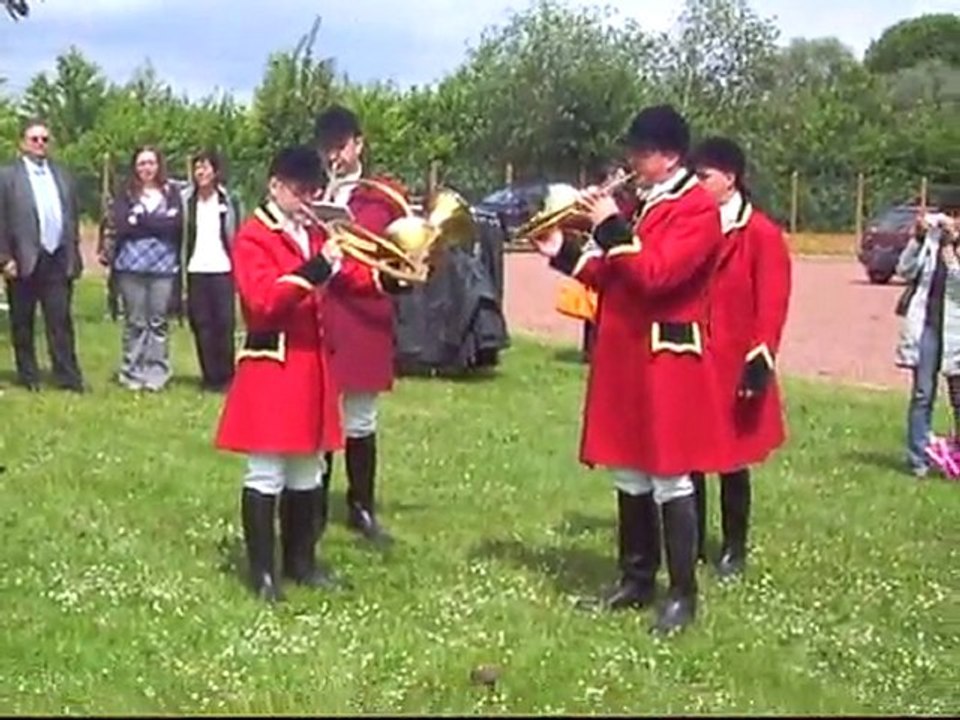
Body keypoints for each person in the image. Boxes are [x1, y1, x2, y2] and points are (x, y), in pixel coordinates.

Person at [528, 104, 726, 635]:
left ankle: (682, 594)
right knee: (630, 471)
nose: (632, 162)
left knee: (669, 474)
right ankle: (636, 579)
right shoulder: (646, 204)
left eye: (642, 153)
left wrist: (610, 223)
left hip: (665, 354)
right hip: (626, 350)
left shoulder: (695, 209)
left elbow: (655, 275)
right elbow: (613, 276)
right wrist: (562, 252)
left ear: (671, 156)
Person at [214, 145, 386, 602]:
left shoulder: (312, 231)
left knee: (308, 467)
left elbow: (351, 278)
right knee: (268, 468)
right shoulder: (253, 236)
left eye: (313, 191)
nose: (308, 200)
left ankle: (301, 563)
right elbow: (264, 302)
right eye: (300, 190)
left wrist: (391, 277)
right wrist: (316, 267)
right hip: (273, 362)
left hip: (312, 364)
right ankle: (263, 574)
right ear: (275, 186)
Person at [688, 137, 792, 579]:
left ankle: (734, 547)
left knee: (732, 459)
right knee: (689, 456)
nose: (696, 184)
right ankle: (690, 542)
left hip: (734, 361)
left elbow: (773, 302)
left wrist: (760, 357)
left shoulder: (761, 233)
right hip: (694, 356)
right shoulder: (692, 226)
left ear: (729, 178)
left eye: (703, 176)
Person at [311, 105, 411, 546]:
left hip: (364, 311)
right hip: (323, 310)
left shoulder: (382, 198)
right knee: (319, 411)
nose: (335, 156)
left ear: (358, 144)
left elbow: (400, 253)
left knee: (361, 416)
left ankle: (361, 506)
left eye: (341, 146)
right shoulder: (314, 194)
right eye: (328, 149)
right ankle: (312, 503)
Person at [0, 118, 85, 393]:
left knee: (60, 321)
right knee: (22, 322)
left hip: (57, 257)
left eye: (45, 139)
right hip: (22, 259)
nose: (40, 144)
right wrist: (4, 258)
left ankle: (68, 377)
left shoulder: (62, 175)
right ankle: (28, 375)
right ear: (22, 143)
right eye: (34, 139)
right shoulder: (7, 176)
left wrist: (74, 253)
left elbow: (71, 217)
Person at [110, 145, 183, 392]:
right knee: (135, 321)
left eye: (151, 163)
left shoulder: (171, 192)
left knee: (158, 321)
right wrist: (158, 222)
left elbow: (175, 225)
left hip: (163, 267)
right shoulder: (126, 193)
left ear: (158, 165)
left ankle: (157, 373)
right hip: (131, 266)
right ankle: (132, 371)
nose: (146, 168)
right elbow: (123, 225)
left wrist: (141, 221)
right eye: (142, 163)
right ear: (135, 167)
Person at [895, 209, 960, 478]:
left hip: (956, 332)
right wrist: (918, 239)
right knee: (923, 393)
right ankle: (918, 458)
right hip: (928, 327)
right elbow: (904, 270)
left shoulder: (950, 250)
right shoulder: (932, 243)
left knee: (958, 396)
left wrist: (950, 252)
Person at [180, 150, 243, 392]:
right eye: (197, 168)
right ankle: (209, 376)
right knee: (202, 325)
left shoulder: (229, 200)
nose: (200, 172)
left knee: (224, 324)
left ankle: (227, 376)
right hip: (196, 269)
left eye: (205, 167)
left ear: (215, 171)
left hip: (223, 269)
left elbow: (238, 233)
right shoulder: (187, 201)